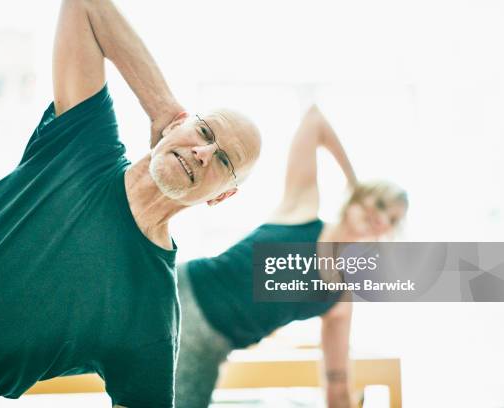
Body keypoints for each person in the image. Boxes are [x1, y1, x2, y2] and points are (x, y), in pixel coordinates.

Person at [0, 1, 261, 407]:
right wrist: (163, 109)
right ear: (181, 124)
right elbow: (85, 7)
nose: (203, 153)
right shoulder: (85, 144)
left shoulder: (153, 313)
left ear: (221, 196)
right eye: (204, 131)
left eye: (224, 160)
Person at [175, 105, 408, 408]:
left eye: (390, 219)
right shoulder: (303, 209)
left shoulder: (340, 298)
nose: (379, 217)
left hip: (210, 348)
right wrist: (355, 183)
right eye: (378, 203)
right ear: (361, 196)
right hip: (181, 291)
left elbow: (337, 382)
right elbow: (314, 120)